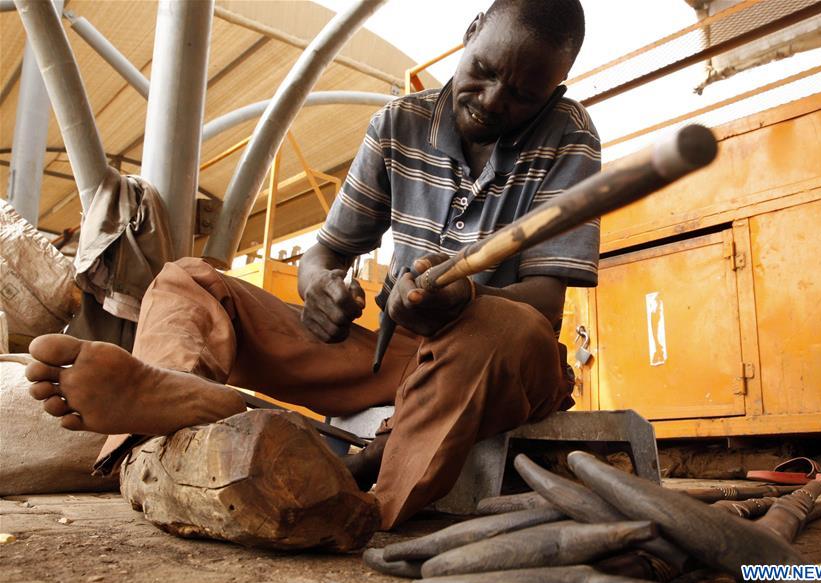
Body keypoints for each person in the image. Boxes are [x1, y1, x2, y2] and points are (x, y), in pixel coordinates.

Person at [26, 0, 601, 531]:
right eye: (485, 69)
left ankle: (363, 502)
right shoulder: (399, 123)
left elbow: (546, 303)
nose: (495, 99)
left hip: (499, 362)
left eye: (524, 94)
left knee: (502, 326)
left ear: (555, 90)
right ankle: (184, 405)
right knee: (186, 278)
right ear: (471, 32)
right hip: (394, 358)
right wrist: (319, 286)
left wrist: (466, 298)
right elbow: (325, 252)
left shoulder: (569, 136)